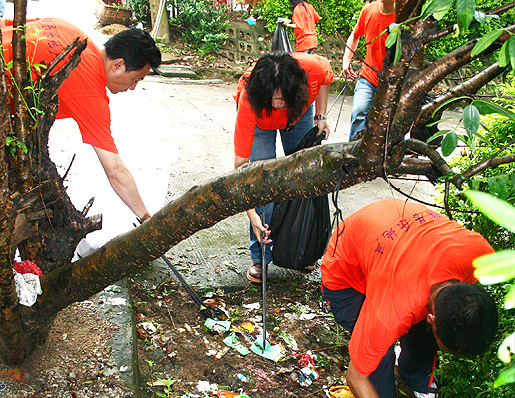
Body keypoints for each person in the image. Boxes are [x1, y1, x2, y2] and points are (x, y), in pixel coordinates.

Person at [320, 198, 498, 398]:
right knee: (378, 357)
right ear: (431, 317)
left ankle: (417, 376)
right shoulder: (388, 314)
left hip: (392, 224)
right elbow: (355, 377)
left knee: (425, 327)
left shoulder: (482, 256)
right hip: (348, 273)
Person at [1, 18, 161, 229]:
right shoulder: (90, 91)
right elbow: (115, 170)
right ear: (118, 65)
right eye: (136, 79)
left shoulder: (70, 30)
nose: (133, 87)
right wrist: (146, 217)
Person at [233, 51, 333, 283]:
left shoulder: (311, 70)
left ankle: (302, 247)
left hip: (299, 115)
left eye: (284, 98)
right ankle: (261, 256)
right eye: (275, 99)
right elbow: (242, 170)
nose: (279, 105)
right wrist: (252, 214)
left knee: (303, 178)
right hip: (260, 121)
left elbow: (327, 75)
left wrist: (320, 114)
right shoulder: (251, 99)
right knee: (263, 185)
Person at [342, 0, 395, 141]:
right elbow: (355, 35)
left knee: (392, 123)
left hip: (394, 81)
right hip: (369, 76)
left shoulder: (404, 16)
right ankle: (353, 152)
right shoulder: (368, 10)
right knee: (359, 111)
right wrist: (346, 60)